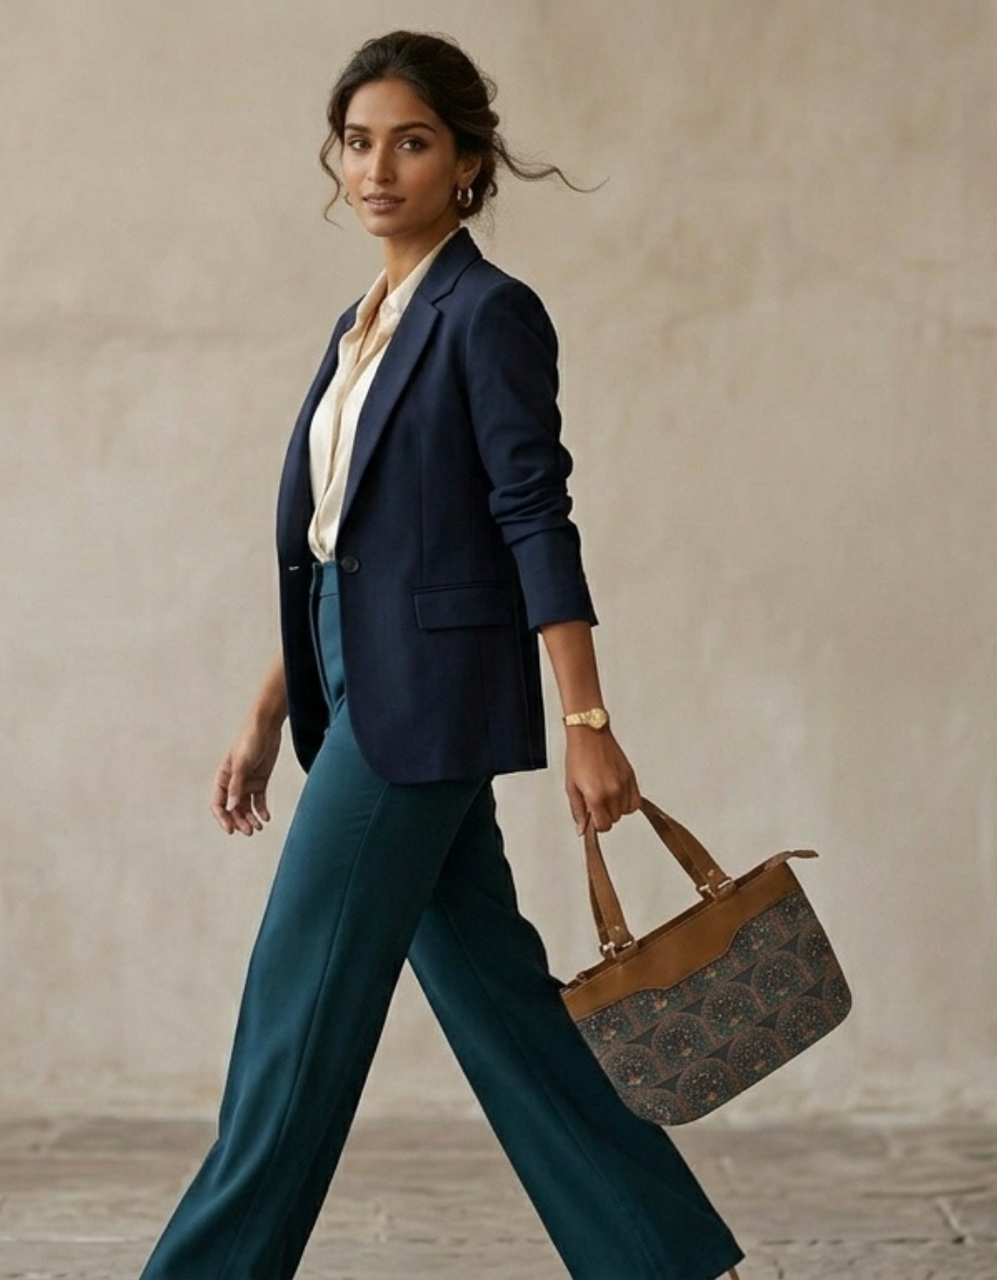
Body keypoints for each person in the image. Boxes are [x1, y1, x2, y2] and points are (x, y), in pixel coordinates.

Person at [139, 30, 743, 1280]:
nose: (377, 169)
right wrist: (268, 707)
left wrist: (586, 722)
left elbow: (534, 516)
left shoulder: (489, 313)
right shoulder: (359, 323)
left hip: (422, 704)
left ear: (467, 163)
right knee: (502, 1006)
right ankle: (661, 1255)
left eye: (410, 143)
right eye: (357, 142)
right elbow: (342, 543)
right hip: (352, 680)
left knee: (295, 1008)